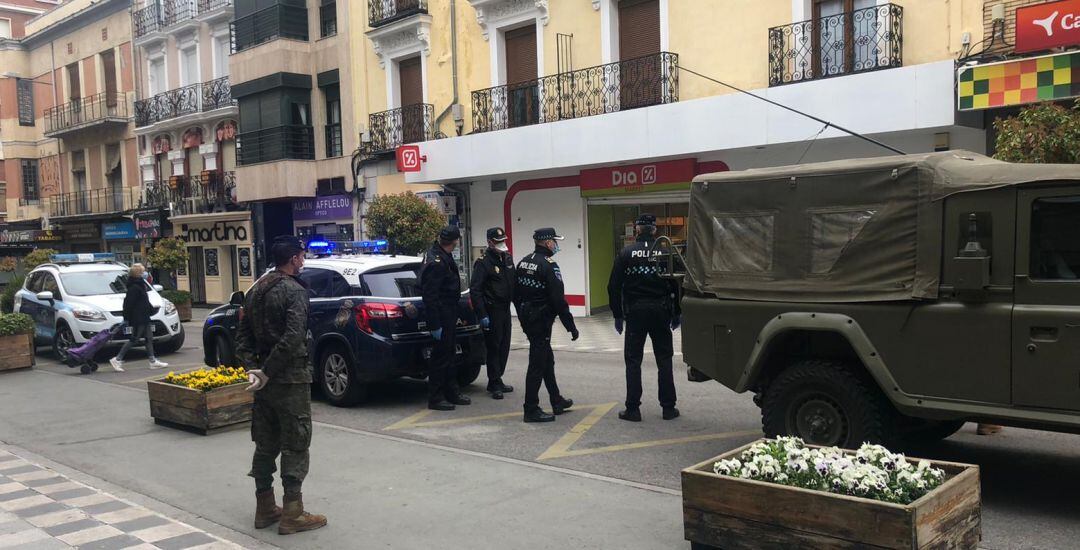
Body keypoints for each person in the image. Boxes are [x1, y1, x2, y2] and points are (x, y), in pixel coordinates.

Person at [235, 235, 326, 535]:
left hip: (264, 383)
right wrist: (269, 371)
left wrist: (255, 370)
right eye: (301, 255)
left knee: (266, 442)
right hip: (290, 379)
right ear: (294, 259)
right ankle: (293, 513)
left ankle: (264, 508)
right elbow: (294, 336)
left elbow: (243, 339)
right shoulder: (294, 291)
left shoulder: (255, 290)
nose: (303, 260)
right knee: (296, 444)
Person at [608, 214, 681, 422]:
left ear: (637, 230)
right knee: (664, 359)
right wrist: (677, 312)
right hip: (661, 310)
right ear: (654, 230)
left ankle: (633, 409)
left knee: (633, 360)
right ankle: (668, 408)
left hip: (636, 312)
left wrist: (618, 314)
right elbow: (677, 283)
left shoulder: (626, 252)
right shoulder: (666, 251)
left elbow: (613, 286)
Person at [514, 227, 579, 423]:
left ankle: (556, 399)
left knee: (546, 360)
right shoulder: (549, 265)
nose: (556, 245)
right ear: (548, 242)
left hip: (528, 317)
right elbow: (558, 300)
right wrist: (571, 326)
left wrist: (523, 319)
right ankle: (530, 408)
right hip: (541, 320)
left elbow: (515, 294)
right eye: (555, 241)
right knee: (537, 364)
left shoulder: (524, 261)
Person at [419, 226, 471, 411]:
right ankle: (436, 397)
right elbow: (430, 296)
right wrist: (435, 324)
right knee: (440, 358)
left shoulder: (440, 255)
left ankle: (452, 392)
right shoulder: (436, 261)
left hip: (448, 312)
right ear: (455, 241)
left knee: (450, 355)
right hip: (441, 314)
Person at [470, 227, 516, 400]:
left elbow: (513, 282)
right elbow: (476, 290)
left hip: (505, 309)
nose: (502, 244)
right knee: (494, 347)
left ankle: (499, 377)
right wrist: (482, 314)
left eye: (503, 240)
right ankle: (494, 381)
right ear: (490, 242)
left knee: (504, 345)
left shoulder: (507, 258)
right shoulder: (483, 262)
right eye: (498, 242)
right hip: (492, 309)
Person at [109, 263, 167, 372]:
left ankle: (152, 361)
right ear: (138, 274)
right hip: (138, 318)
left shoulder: (140, 285)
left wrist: (151, 309)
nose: (144, 274)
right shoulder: (134, 287)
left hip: (144, 316)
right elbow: (128, 304)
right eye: (142, 272)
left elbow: (144, 301)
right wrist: (126, 318)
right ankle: (117, 359)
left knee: (149, 338)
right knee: (134, 339)